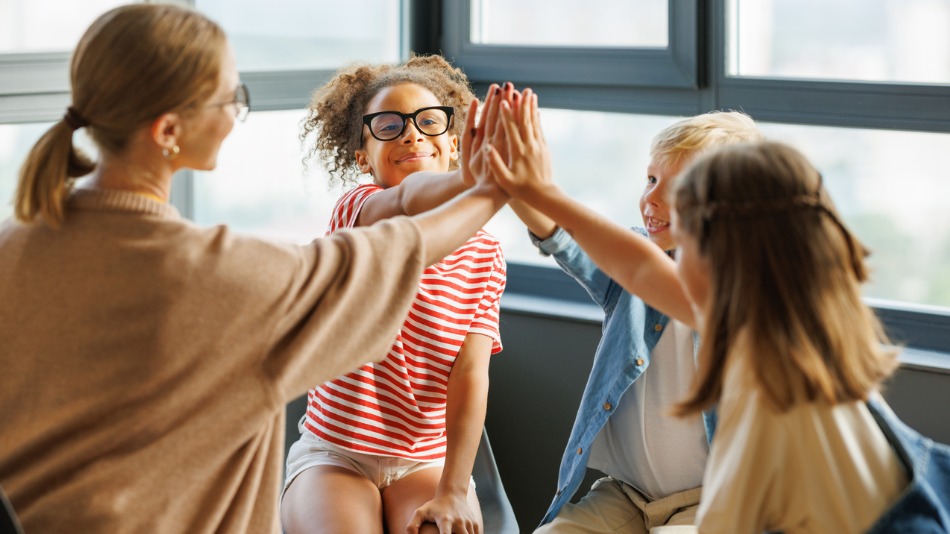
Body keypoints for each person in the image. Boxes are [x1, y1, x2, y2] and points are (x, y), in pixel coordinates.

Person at [0, 5, 509, 533]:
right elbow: (398, 244)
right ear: (170, 129)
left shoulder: (12, 245)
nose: (236, 112)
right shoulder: (226, 279)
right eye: (229, 97)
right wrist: (491, 184)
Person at [487, 93, 949, 533]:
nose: (671, 255)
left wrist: (542, 191)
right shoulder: (789, 313)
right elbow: (640, 266)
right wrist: (527, 189)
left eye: (690, 226)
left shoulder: (770, 330)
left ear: (729, 241)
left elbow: (642, 268)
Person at [502, 100, 761, 533]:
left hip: (715, 503)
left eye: (676, 190)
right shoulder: (631, 258)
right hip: (625, 494)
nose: (651, 199)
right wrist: (514, 182)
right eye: (651, 179)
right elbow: (561, 235)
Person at [280, 56, 507, 534]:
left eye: (428, 121)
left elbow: (470, 375)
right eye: (388, 125)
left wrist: (454, 489)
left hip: (424, 462)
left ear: (452, 142)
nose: (411, 134)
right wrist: (477, 180)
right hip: (335, 452)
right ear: (363, 156)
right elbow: (405, 200)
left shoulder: (486, 255)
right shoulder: (357, 211)